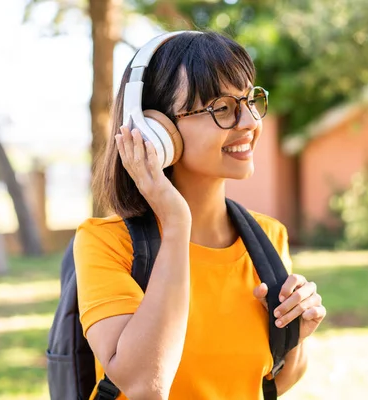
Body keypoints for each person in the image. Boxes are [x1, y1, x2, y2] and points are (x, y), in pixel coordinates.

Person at [74, 30, 326, 400]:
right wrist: (176, 224)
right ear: (154, 129)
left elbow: (272, 382)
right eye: (222, 108)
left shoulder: (268, 238)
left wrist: (295, 336)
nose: (249, 121)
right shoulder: (106, 243)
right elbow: (146, 386)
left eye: (250, 99)